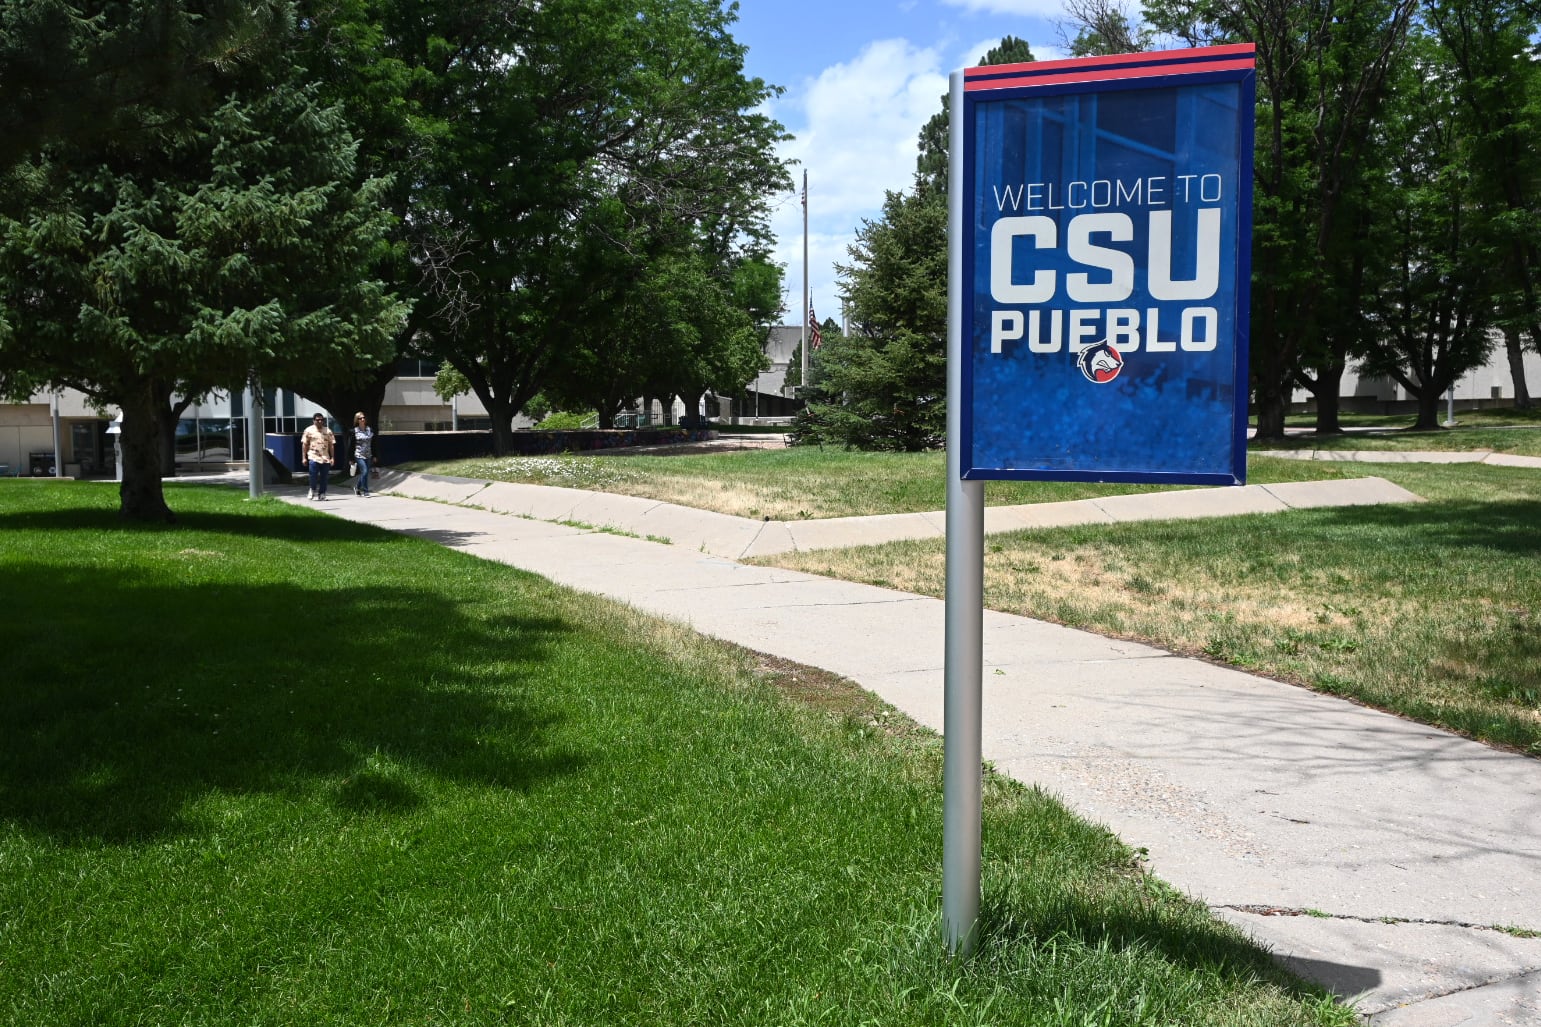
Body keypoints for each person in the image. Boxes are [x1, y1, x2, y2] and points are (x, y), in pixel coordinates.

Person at [300, 413, 336, 500]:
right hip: (313, 456)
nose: (320, 421)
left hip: (325, 457)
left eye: (321, 420)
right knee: (313, 475)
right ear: (314, 421)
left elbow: (331, 445)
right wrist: (304, 458)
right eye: (317, 420)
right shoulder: (308, 430)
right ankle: (312, 489)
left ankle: (322, 494)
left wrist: (332, 457)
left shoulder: (328, 431)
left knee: (324, 477)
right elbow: (304, 445)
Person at [351, 411, 376, 497]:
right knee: (364, 471)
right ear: (357, 420)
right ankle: (366, 491)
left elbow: (373, 443)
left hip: (368, 454)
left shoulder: (370, 429)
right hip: (359, 455)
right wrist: (351, 459)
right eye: (360, 418)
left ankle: (357, 487)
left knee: (365, 473)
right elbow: (350, 446)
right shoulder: (354, 431)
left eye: (363, 418)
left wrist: (375, 455)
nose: (362, 419)